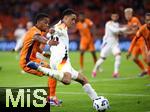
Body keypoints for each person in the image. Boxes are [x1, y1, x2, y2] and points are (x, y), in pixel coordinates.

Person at [28, 9, 99, 103]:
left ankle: (96, 99)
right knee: (67, 80)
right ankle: (39, 68)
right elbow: (57, 30)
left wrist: (51, 32)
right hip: (61, 60)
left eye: (75, 20)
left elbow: (51, 32)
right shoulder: (62, 26)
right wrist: (53, 30)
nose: (74, 22)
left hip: (57, 60)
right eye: (72, 19)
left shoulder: (59, 25)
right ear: (65, 18)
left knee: (83, 79)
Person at [19, 13, 63, 106]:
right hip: (27, 62)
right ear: (38, 22)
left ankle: (50, 97)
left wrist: (43, 53)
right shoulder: (34, 31)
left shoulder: (37, 31)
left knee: (52, 71)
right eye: (45, 22)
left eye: (48, 23)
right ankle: (51, 98)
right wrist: (48, 42)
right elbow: (37, 37)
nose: (47, 25)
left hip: (32, 60)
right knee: (52, 72)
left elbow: (35, 48)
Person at [92, 12, 127, 78]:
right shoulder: (108, 23)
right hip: (107, 44)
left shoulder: (117, 24)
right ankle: (94, 70)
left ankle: (116, 73)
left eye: (116, 16)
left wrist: (127, 29)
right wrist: (126, 28)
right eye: (113, 16)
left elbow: (120, 31)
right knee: (102, 59)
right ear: (111, 17)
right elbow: (115, 31)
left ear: (118, 17)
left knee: (118, 56)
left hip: (115, 44)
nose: (115, 17)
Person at [124, 8, 147, 76]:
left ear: (131, 14)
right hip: (136, 42)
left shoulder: (134, 19)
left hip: (142, 40)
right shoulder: (129, 22)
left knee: (145, 58)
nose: (126, 16)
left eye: (128, 14)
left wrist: (126, 32)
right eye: (125, 14)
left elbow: (135, 31)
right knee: (134, 58)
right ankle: (144, 70)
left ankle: (148, 71)